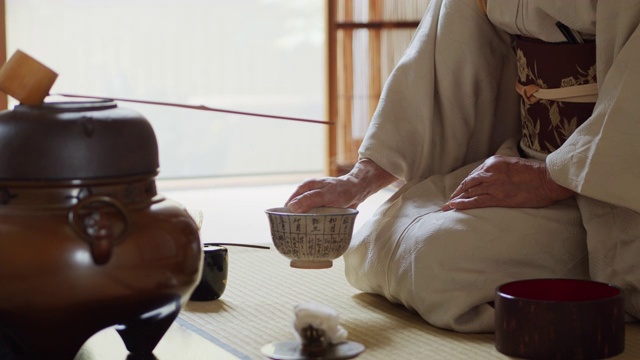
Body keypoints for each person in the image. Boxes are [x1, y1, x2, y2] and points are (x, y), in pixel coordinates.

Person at [285, 0, 640, 333]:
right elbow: (439, 63)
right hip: (523, 159)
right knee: (373, 244)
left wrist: (550, 180)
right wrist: (358, 181)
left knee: (434, 264)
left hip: (606, 190)